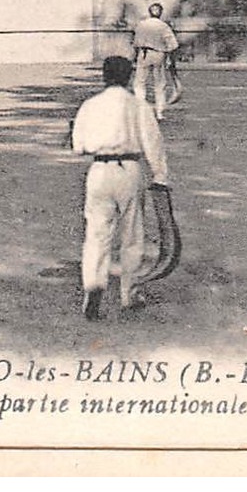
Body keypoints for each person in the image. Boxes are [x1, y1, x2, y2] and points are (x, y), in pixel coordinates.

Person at [71, 56, 169, 320]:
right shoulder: (138, 105)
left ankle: (93, 287)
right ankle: (129, 294)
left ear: (104, 76)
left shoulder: (90, 106)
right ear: (128, 76)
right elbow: (153, 143)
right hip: (129, 170)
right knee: (132, 235)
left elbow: (78, 146)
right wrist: (160, 175)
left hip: (99, 171)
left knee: (96, 235)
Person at [131, 3, 179, 120]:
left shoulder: (141, 25)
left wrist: (136, 56)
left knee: (140, 83)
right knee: (160, 84)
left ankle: (140, 111)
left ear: (149, 12)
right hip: (158, 54)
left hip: (143, 54)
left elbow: (136, 43)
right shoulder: (163, 26)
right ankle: (159, 112)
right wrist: (169, 58)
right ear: (160, 13)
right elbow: (173, 45)